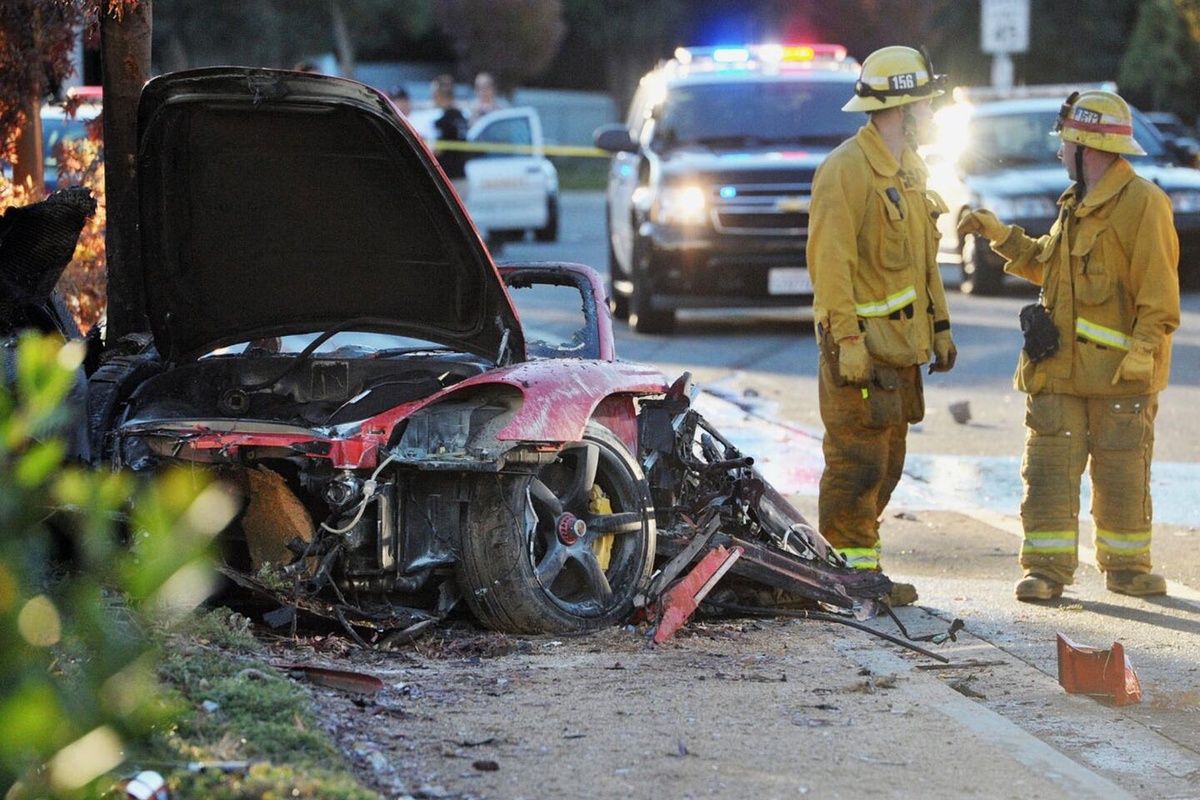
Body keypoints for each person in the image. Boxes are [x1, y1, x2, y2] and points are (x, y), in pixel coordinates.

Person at [958, 89, 1180, 601]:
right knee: (1048, 471)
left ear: (1088, 148)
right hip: (1058, 371)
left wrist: (1144, 350)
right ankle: (1046, 571)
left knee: (1122, 473)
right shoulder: (1075, 204)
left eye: (1065, 143)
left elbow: (1159, 296)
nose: (1059, 152)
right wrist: (1001, 236)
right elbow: (1048, 267)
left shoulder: (1143, 205)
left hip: (1118, 376)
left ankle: (1126, 569)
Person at [806, 46, 956, 607]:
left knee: (888, 467)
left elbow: (924, 263)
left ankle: (856, 573)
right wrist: (846, 340)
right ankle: (846, 580)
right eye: (926, 105)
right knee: (857, 467)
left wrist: (939, 327)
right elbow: (831, 266)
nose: (933, 115)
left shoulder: (910, 173)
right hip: (860, 354)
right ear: (902, 109)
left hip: (898, 354)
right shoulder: (845, 171)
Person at [430, 74, 470, 195]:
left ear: (439, 95)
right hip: (462, 177)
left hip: (449, 179)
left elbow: (438, 151)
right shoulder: (461, 117)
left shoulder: (442, 122)